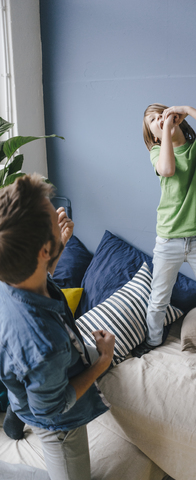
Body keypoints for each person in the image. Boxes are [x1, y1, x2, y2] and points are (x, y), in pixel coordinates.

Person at [0, 173, 115, 480]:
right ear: (42, 251)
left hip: (24, 373)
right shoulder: (45, 346)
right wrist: (102, 362)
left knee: (26, 386)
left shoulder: (11, 273)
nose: (61, 214)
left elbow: (39, 276)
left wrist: (58, 244)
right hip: (55, 419)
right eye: (54, 217)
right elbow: (53, 407)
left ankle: (14, 418)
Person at [134, 104, 196, 374]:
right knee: (158, 299)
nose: (161, 120)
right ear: (155, 136)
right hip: (169, 241)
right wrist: (166, 131)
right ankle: (153, 340)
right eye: (154, 121)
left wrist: (189, 109)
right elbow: (167, 169)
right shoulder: (156, 152)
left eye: (162, 114)